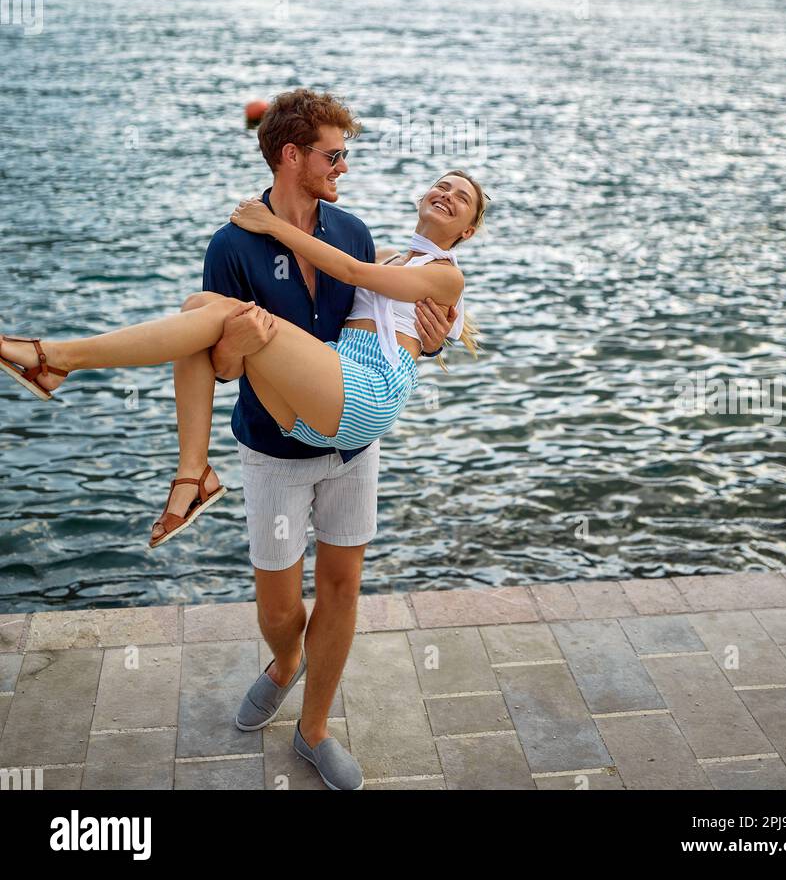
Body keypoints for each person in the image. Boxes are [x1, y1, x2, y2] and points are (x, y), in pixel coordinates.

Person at [0, 88, 487, 790]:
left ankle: (314, 729)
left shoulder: (352, 236)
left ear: (467, 229)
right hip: (283, 432)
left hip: (354, 427)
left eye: (460, 195)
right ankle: (274, 637)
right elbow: (218, 361)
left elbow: (381, 303)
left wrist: (433, 340)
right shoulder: (235, 245)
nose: (344, 166)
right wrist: (244, 341)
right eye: (334, 154)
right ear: (294, 156)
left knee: (343, 585)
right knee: (209, 314)